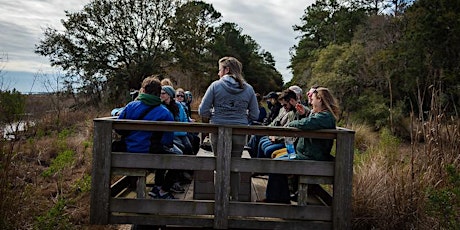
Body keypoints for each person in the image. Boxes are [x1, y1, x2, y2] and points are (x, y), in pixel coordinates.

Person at [263, 87, 340, 203]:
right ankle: (280, 198)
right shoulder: (321, 115)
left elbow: (306, 124)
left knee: (277, 165)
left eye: (313, 99)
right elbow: (308, 122)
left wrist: (292, 123)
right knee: (276, 162)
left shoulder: (325, 117)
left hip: (310, 158)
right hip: (304, 155)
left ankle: (276, 199)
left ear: (320, 100)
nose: (311, 102)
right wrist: (303, 114)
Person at [199, 56, 259, 201]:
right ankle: (234, 199)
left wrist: (215, 114)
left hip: (218, 130)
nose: (218, 73)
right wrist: (242, 118)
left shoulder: (215, 86)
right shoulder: (249, 89)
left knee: (218, 165)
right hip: (239, 131)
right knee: (235, 166)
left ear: (226, 70)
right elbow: (255, 115)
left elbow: (202, 111)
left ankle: (220, 199)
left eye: (219, 70)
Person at [116, 76, 177, 199]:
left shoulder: (131, 106)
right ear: (159, 92)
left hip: (127, 153)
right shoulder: (165, 112)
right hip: (150, 156)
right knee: (179, 161)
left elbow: (118, 128)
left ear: (143, 90)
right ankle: (163, 190)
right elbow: (168, 140)